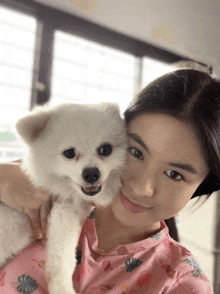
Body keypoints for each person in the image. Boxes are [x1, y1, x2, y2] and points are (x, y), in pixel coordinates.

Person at [0, 69, 218, 293]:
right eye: (136, 152)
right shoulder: (45, 185)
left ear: (204, 183)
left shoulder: (183, 283)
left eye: (175, 174)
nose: (141, 187)